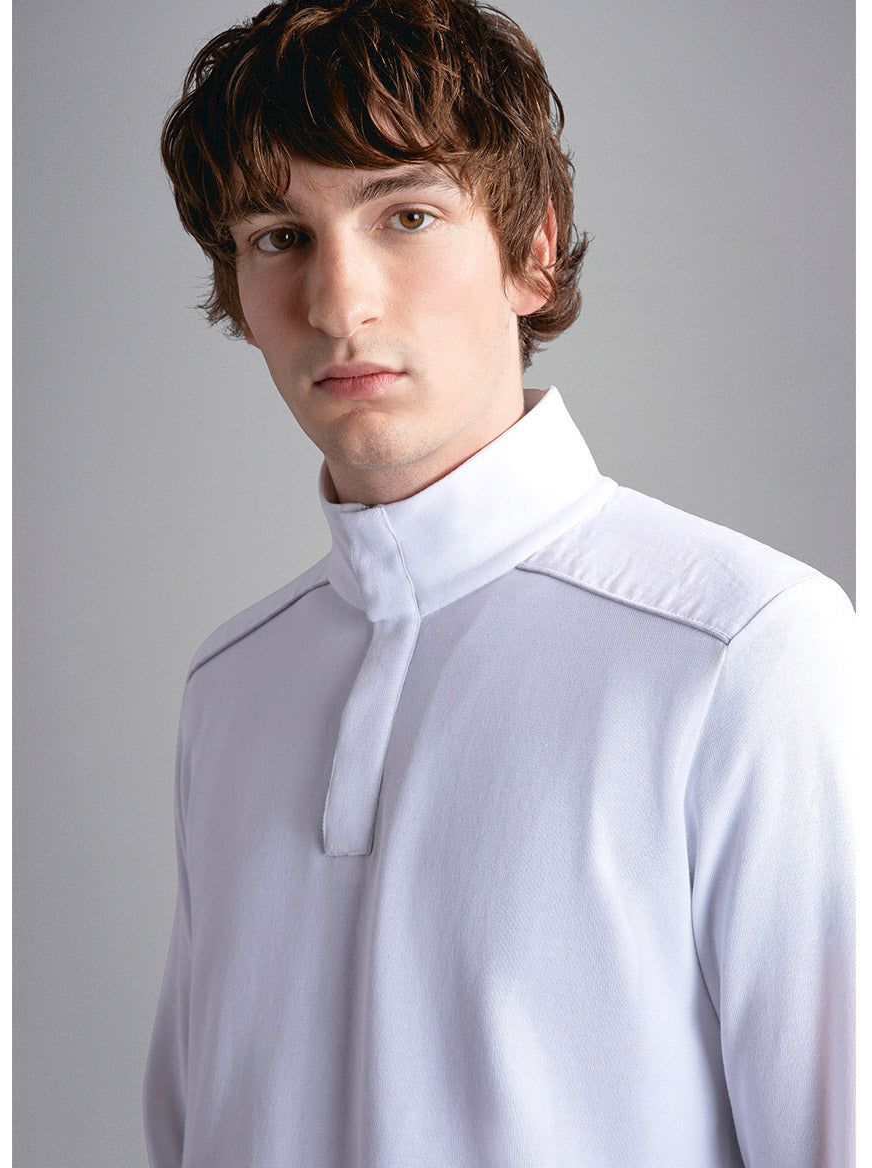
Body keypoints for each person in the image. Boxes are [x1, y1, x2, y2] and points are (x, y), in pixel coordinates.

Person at [144, 1, 855, 1165]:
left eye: (408, 214)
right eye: (279, 236)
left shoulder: (745, 648)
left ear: (531, 252)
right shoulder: (232, 685)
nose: (338, 304)